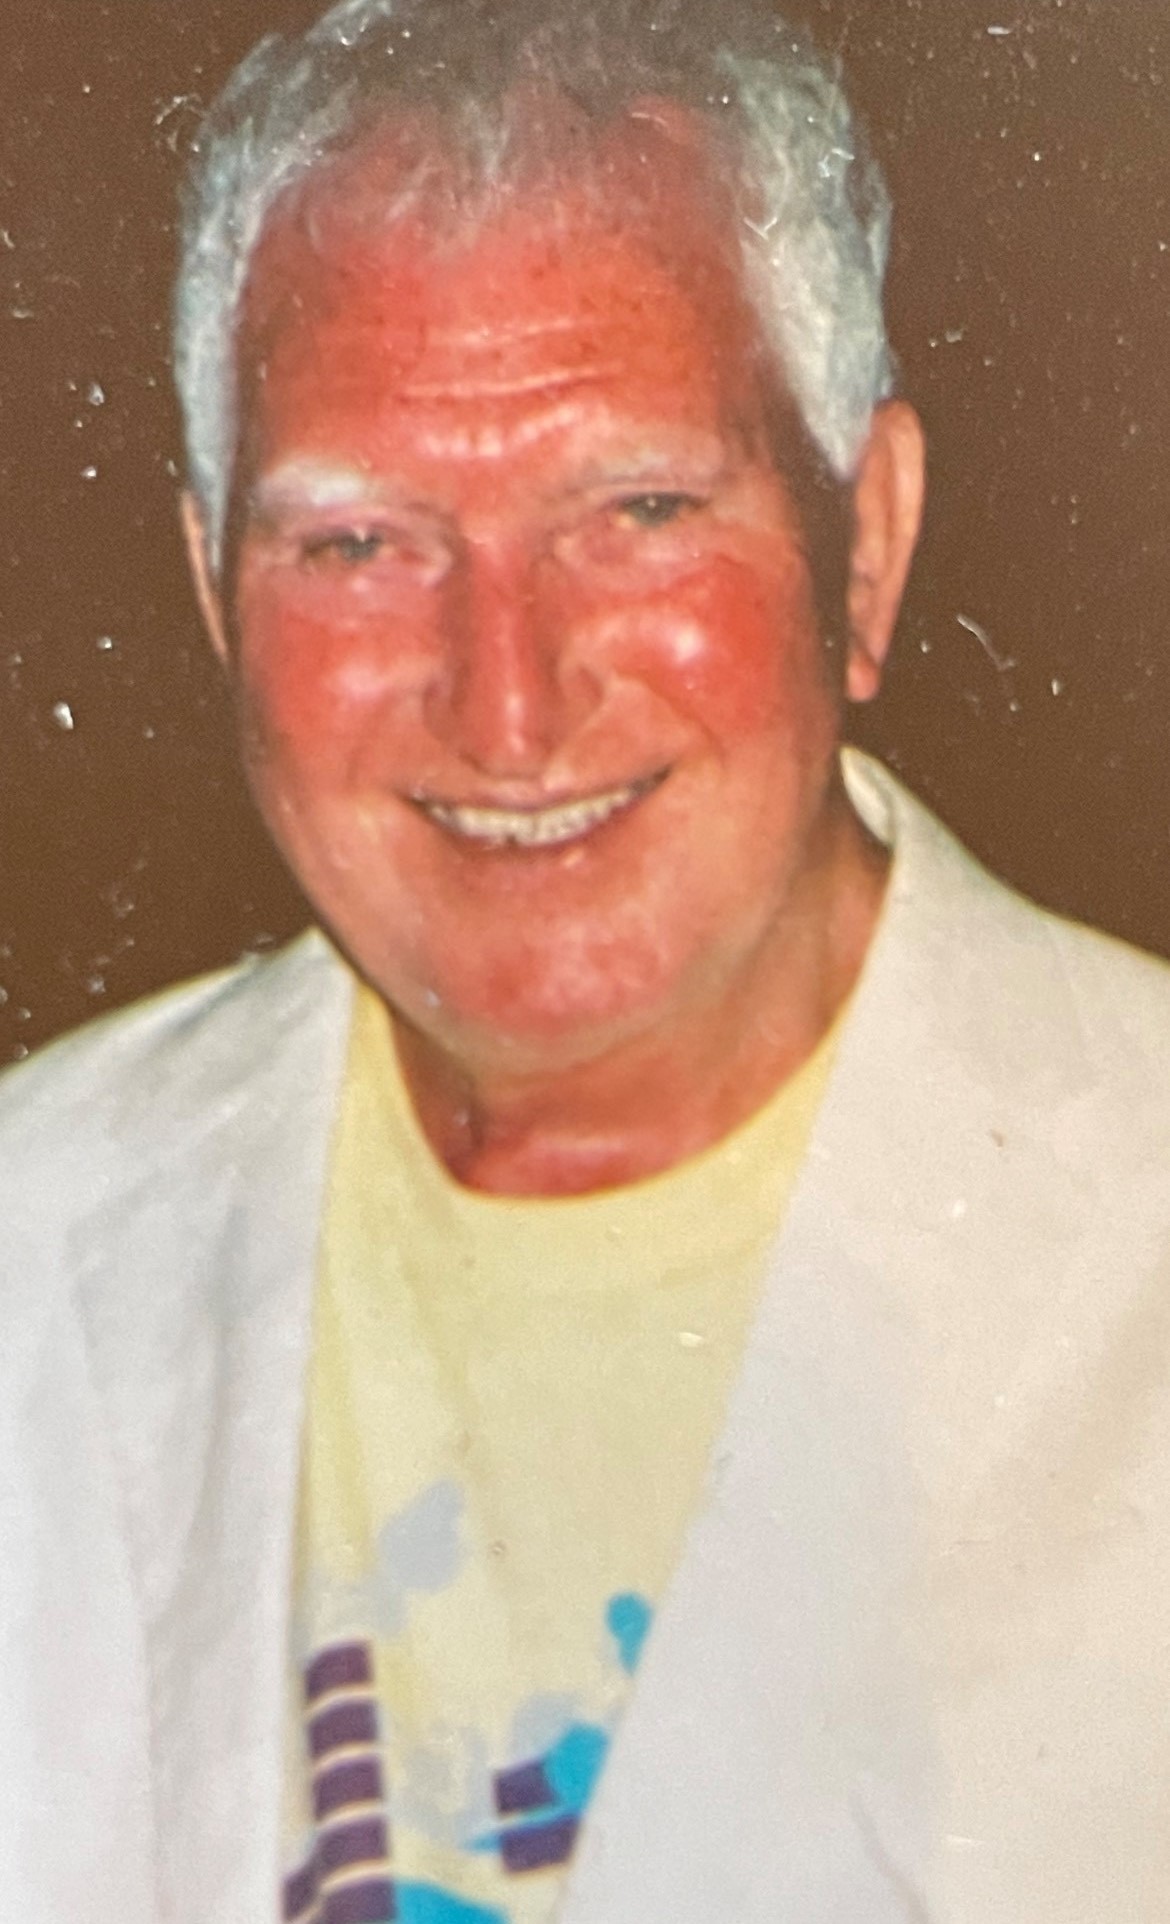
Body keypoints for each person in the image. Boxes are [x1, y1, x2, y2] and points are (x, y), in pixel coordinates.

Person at [3, 1, 1170, 1919]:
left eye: (637, 512)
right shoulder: (32, 1242)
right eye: (358, 544)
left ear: (864, 548)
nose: (508, 704)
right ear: (211, 588)